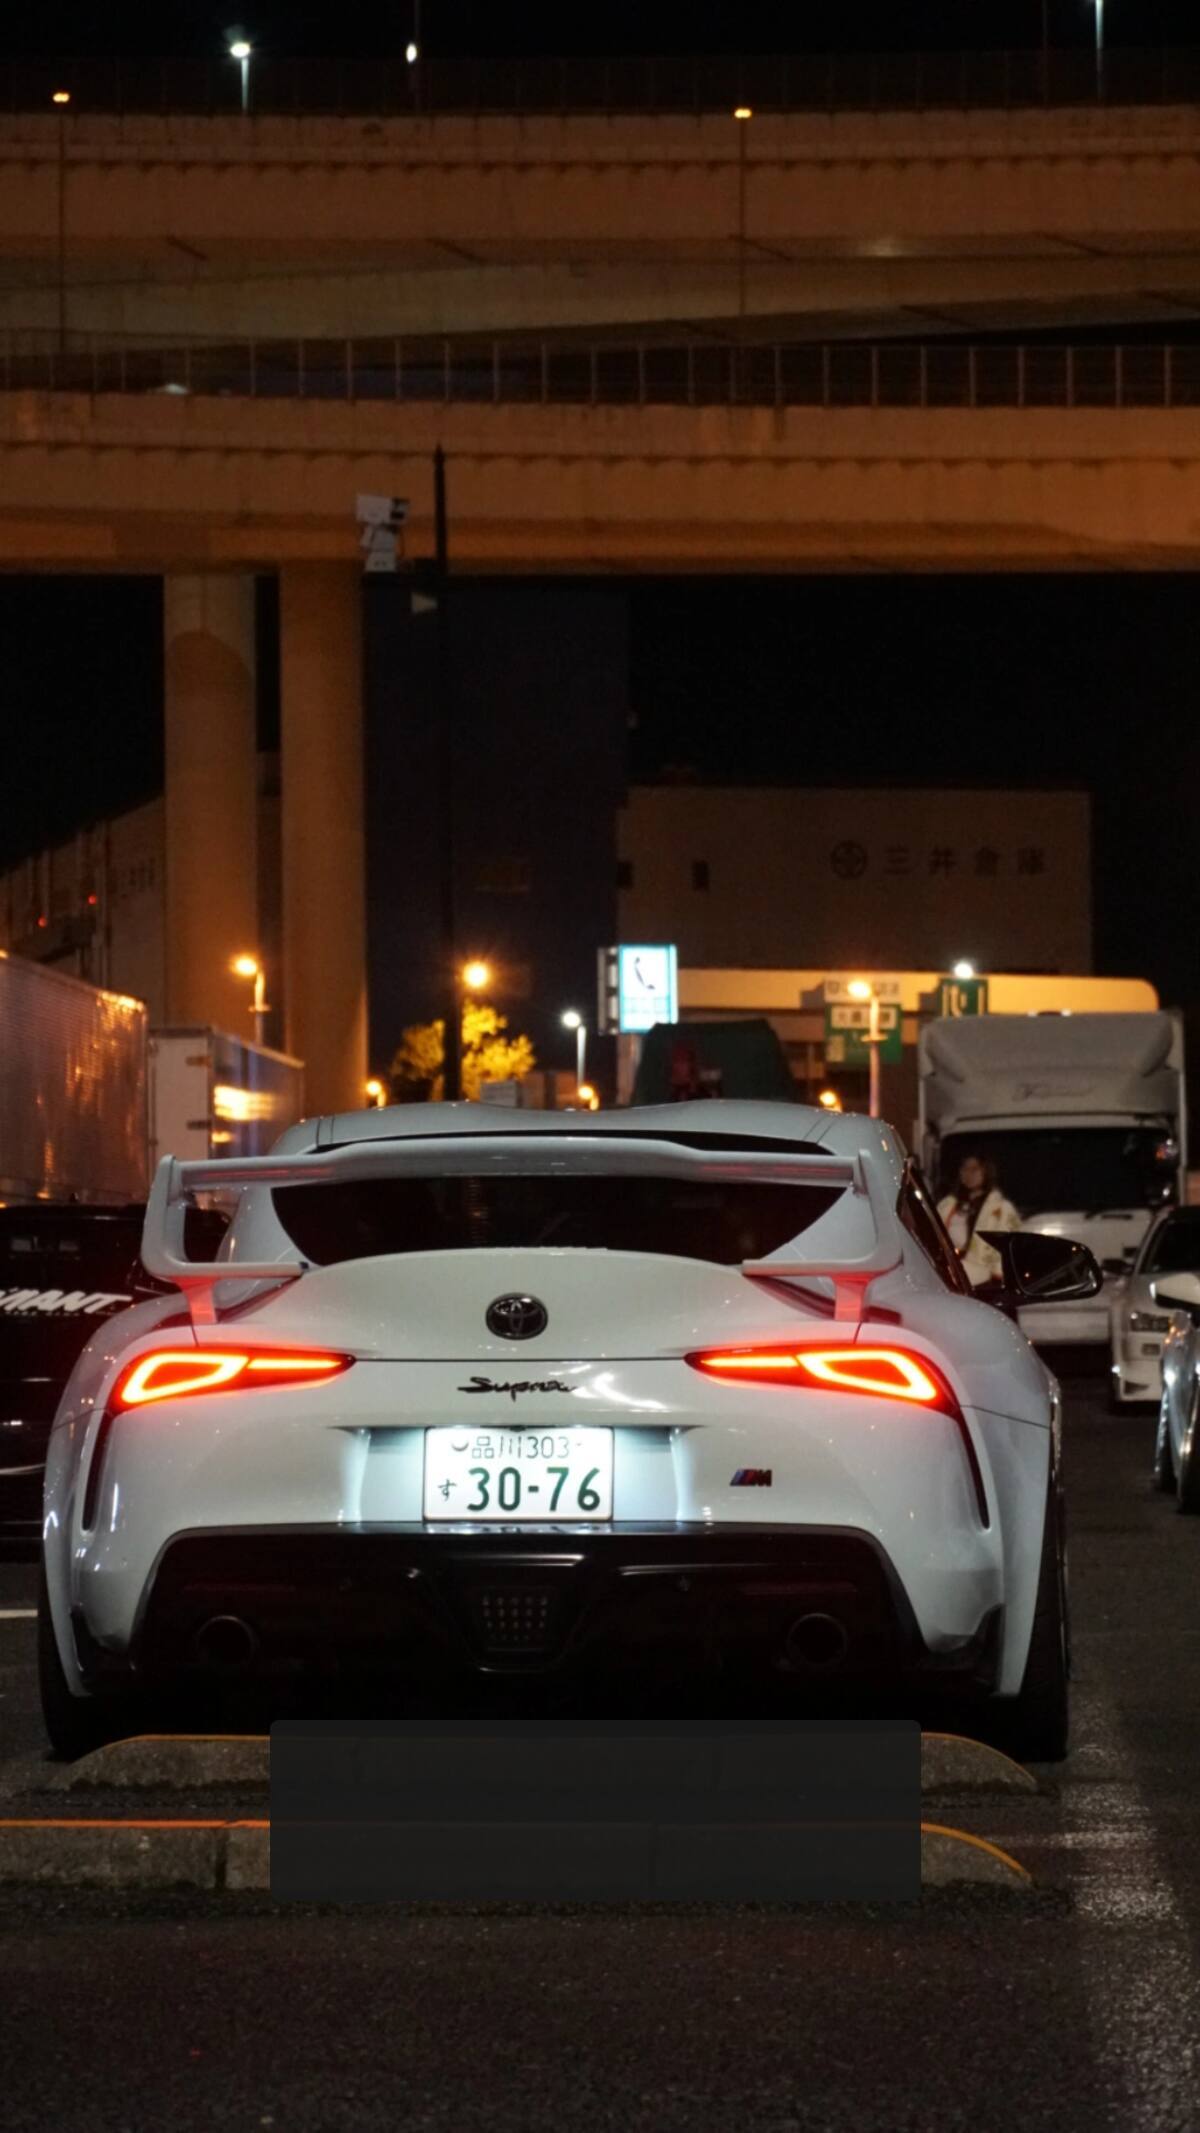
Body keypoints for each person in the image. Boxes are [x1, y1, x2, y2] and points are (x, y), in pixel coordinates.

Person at [938, 1153, 1021, 1290]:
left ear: (986, 1172)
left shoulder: (1000, 1208)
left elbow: (1009, 1244)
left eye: (974, 1169)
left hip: (984, 1277)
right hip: (951, 1270)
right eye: (965, 1169)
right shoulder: (948, 1204)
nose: (969, 1174)